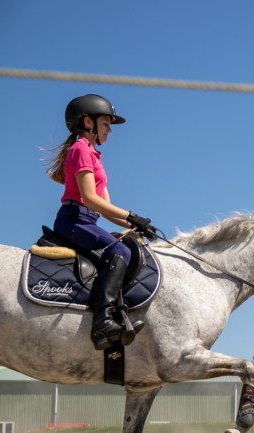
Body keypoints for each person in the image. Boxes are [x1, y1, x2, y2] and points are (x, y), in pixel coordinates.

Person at [45, 94, 155, 350]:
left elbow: (105, 209)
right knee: (119, 252)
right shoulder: (80, 149)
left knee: (127, 243)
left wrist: (136, 225)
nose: (109, 130)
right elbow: (89, 198)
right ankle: (103, 322)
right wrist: (130, 215)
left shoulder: (94, 155)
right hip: (74, 220)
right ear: (87, 122)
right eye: (106, 123)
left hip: (89, 220)